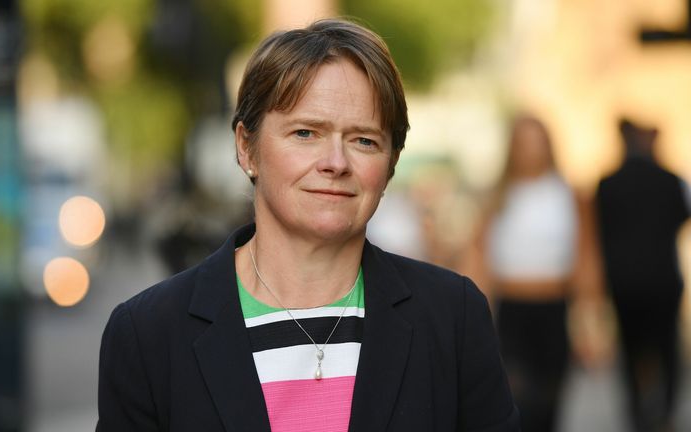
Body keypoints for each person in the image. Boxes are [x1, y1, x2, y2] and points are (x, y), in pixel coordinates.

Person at [97, 18, 519, 432]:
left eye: (364, 140)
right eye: (305, 133)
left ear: (390, 165)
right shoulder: (148, 334)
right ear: (247, 148)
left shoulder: (452, 318)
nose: (335, 163)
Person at [468, 114, 602, 432]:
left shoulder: (569, 195)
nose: (530, 150)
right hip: (512, 309)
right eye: (523, 142)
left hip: (555, 308)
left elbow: (586, 256)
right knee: (517, 399)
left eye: (536, 141)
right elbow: (479, 257)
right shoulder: (497, 197)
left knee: (551, 401)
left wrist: (592, 319)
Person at [596, 118, 690, 432]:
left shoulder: (609, 184)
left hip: (624, 282)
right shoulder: (669, 180)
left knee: (631, 350)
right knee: (666, 349)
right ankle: (663, 411)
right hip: (662, 279)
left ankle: (637, 413)